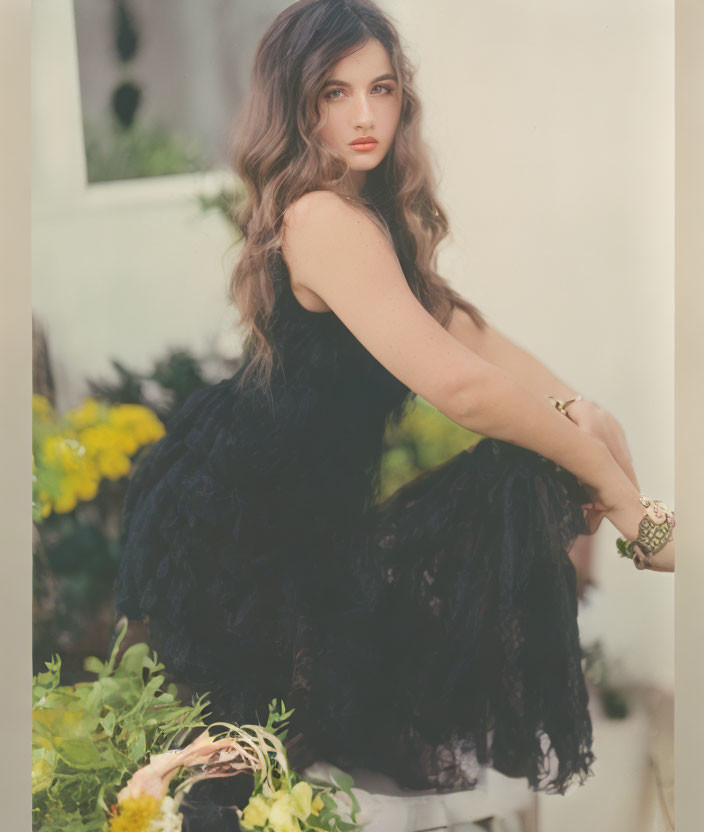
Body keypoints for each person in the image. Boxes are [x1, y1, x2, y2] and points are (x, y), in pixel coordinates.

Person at [113, 0, 675, 814]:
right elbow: (463, 389)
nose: (365, 115)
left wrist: (584, 410)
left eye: (381, 88)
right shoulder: (321, 217)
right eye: (334, 94)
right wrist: (627, 502)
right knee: (239, 781)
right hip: (243, 541)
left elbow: (476, 340)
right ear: (296, 105)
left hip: (311, 529)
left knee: (266, 770)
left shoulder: (372, 214)